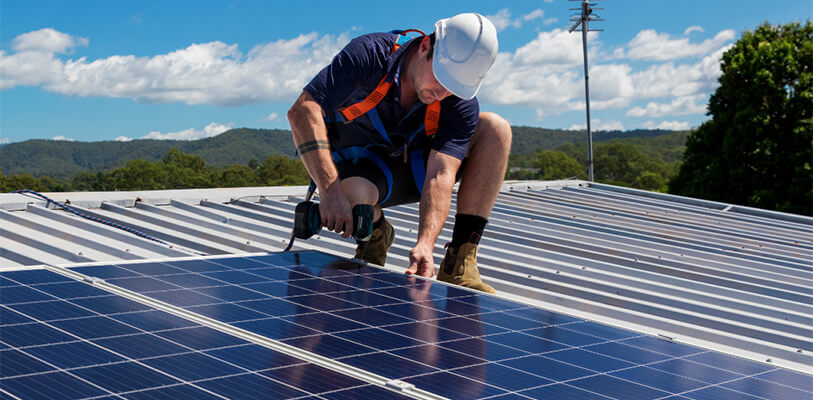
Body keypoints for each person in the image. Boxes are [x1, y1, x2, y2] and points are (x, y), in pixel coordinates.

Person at [287, 13, 511, 294]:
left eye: (452, 89)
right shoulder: (369, 55)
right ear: (425, 47)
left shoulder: (457, 102)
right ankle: (377, 232)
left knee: (495, 129)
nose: (442, 93)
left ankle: (460, 261)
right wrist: (329, 191)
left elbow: (441, 174)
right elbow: (303, 110)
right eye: (440, 80)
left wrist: (425, 244)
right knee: (357, 199)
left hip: (413, 169)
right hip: (359, 166)